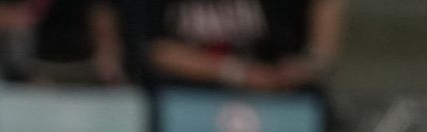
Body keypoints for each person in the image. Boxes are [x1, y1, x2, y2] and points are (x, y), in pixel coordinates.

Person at [143, 0, 345, 93]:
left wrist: (311, 63)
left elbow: (319, 57)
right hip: (181, 101)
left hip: (280, 108)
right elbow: (153, 49)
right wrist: (241, 73)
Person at [0, 0, 126, 84]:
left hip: (81, 66)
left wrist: (107, 49)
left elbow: (101, 13)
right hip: (28, 68)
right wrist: (16, 17)